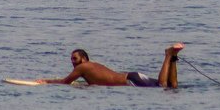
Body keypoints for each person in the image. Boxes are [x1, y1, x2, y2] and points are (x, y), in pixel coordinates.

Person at [33, 43, 184, 88]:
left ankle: (168, 55)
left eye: (75, 58)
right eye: (71, 59)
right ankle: (173, 57)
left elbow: (66, 82)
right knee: (173, 86)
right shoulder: (90, 67)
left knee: (163, 85)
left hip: (131, 80)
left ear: (84, 59)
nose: (73, 62)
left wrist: (47, 81)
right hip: (133, 77)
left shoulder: (83, 67)